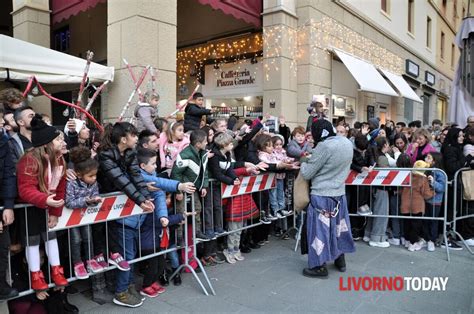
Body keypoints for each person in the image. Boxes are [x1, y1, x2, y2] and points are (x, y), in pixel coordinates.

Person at [97, 122, 155, 308]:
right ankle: (120, 291)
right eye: (134, 135)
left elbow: (136, 177)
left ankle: (128, 286)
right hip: (109, 210)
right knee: (123, 253)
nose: (137, 138)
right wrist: (141, 200)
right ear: (124, 139)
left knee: (128, 252)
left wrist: (146, 197)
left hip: (125, 207)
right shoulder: (105, 157)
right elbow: (122, 182)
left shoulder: (129, 153)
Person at [16, 114, 69, 291]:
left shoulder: (60, 159)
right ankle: (36, 275)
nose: (62, 143)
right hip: (31, 207)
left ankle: (56, 270)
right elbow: (25, 188)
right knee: (32, 242)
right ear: (46, 143)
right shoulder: (29, 160)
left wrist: (55, 213)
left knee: (51, 238)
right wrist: (44, 199)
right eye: (57, 140)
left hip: (49, 205)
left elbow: (61, 187)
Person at [300, 119, 355, 278]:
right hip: (339, 193)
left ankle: (319, 266)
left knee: (320, 231)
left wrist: (304, 161)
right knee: (338, 228)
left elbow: (307, 173)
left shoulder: (324, 146)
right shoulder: (345, 142)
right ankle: (340, 260)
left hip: (322, 195)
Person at [137, 148, 195, 297]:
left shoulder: (152, 175)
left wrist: (165, 216)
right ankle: (145, 285)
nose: (156, 166)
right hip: (147, 234)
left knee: (160, 263)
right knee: (153, 263)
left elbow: (160, 196)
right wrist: (179, 186)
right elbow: (161, 183)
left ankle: (152, 282)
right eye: (153, 163)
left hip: (156, 235)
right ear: (143, 166)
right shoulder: (142, 176)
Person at [65, 147, 104, 279]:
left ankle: (90, 260)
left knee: (88, 237)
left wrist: (95, 200)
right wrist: (87, 201)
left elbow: (95, 194)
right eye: (90, 176)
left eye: (95, 175)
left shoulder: (93, 183)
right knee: (76, 240)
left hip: (85, 217)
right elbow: (69, 202)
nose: (94, 178)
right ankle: (77, 263)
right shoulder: (71, 184)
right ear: (79, 174)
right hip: (72, 218)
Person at [170, 129, 210, 240]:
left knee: (197, 208)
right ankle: (179, 237)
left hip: (194, 188)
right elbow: (175, 173)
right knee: (181, 212)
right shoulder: (184, 155)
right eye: (205, 141)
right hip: (182, 188)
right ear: (198, 144)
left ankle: (197, 232)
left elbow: (204, 171)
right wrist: (178, 191)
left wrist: (204, 186)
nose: (207, 143)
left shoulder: (203, 153)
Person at [400, 160, 435, 252]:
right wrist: (433, 192)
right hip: (417, 204)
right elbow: (426, 194)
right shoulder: (423, 179)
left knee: (407, 223)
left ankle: (407, 240)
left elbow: (400, 189)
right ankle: (412, 243)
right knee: (416, 224)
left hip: (405, 203)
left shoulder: (407, 176)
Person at [0, 130, 18, 300]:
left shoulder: (3, 140)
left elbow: (8, 175)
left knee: (3, 244)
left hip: (1, 205)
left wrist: (8, 205)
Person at [364, 137, 391, 248]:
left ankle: (368, 234)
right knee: (381, 213)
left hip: (373, 188)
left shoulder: (375, 156)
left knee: (374, 212)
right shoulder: (382, 158)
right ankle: (377, 238)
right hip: (381, 189)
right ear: (385, 145)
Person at [423, 152, 446, 251]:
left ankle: (432, 240)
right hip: (426, 200)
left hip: (435, 201)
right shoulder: (426, 170)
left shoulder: (440, 173)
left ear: (434, 161)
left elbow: (442, 187)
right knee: (426, 220)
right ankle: (426, 238)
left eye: (428, 158)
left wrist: (433, 182)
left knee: (433, 221)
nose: (425, 159)